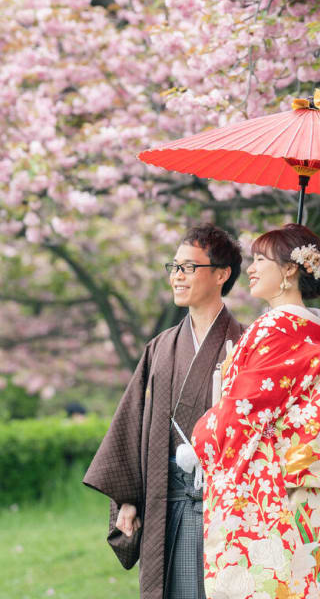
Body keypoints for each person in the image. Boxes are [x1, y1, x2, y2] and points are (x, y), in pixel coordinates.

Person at [191, 223, 320, 599]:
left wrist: (201, 440)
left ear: (290, 270)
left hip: (267, 483)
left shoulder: (276, 328)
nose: (250, 268)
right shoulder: (316, 330)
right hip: (306, 482)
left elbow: (243, 408)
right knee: (306, 579)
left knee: (264, 581)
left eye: (261, 259)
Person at [84, 224, 244, 599]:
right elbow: (131, 423)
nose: (177, 276)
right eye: (173, 267)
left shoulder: (245, 345)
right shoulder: (161, 347)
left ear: (221, 274)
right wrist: (127, 498)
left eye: (189, 267)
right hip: (163, 499)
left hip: (226, 504)